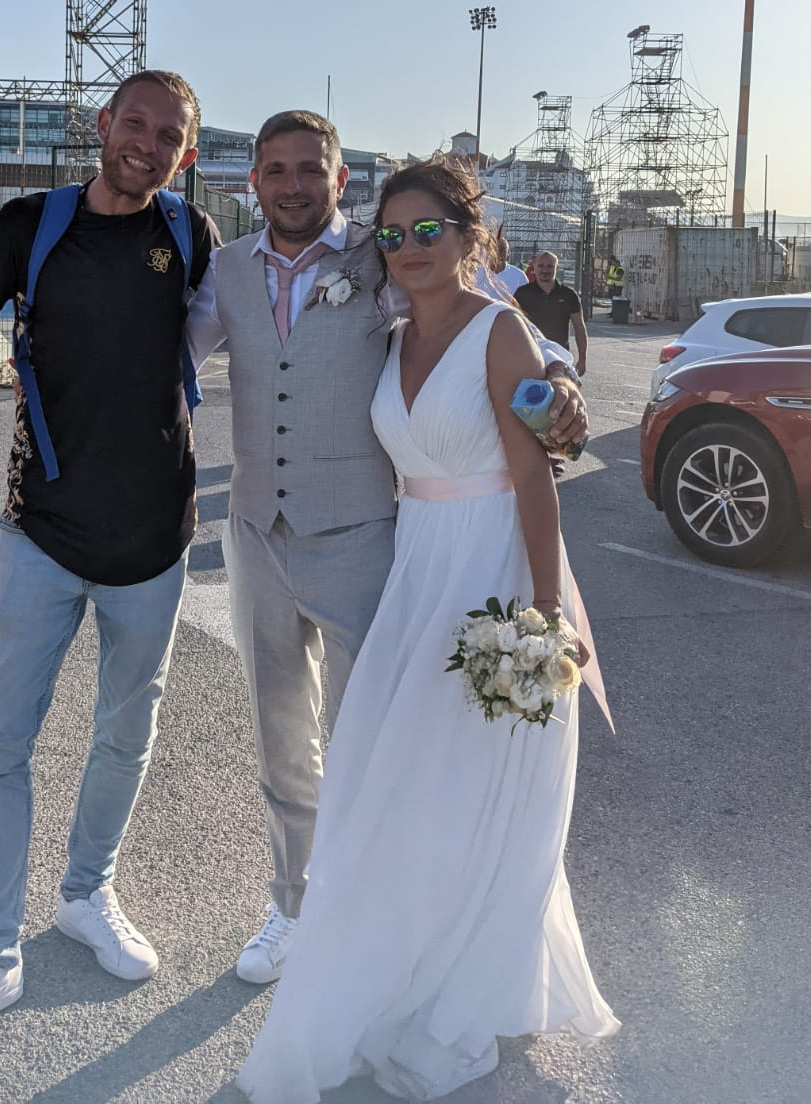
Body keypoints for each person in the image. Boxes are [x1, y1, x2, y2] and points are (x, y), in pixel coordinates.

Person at [236, 157, 619, 1104]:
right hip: (416, 573)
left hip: (492, 571)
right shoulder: (391, 331)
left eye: (428, 232)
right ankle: (388, 955)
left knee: (476, 788)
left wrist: (543, 613)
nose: (408, 250)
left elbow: (537, 476)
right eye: (393, 235)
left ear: (470, 239)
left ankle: (461, 983)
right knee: (394, 779)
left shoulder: (502, 333)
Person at [185, 111, 588, 987]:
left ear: (338, 181)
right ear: (253, 181)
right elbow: (168, 359)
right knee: (282, 739)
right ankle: (293, 904)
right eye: (276, 170)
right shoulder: (221, 272)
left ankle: (366, 905)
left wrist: (558, 376)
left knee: (374, 739)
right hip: (255, 534)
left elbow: (489, 318)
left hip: (368, 539)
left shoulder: (383, 259)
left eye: (310, 170)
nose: (293, 185)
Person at [0, 70, 220, 1063]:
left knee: (125, 735)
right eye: (135, 124)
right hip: (39, 535)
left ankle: (85, 895)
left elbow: (306, 294)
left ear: (183, 154)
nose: (147, 145)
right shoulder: (33, 224)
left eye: (168, 136)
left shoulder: (191, 239)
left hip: (155, 548)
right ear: (104, 126)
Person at [514, 250, 588, 377]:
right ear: (534, 268)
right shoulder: (521, 294)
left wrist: (582, 359)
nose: (545, 270)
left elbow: (579, 327)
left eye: (550, 266)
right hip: (530, 356)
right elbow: (512, 326)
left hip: (559, 359)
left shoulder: (569, 295)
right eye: (541, 266)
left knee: (561, 394)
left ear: (557, 268)